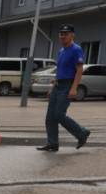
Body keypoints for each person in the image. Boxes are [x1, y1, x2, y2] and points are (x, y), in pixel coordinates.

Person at [37, 24, 90, 152]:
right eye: (61, 34)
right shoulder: (61, 51)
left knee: (59, 115)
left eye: (66, 34)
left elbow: (79, 70)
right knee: (50, 117)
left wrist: (74, 88)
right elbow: (60, 70)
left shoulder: (76, 49)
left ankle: (82, 132)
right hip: (58, 85)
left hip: (67, 85)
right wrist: (53, 86)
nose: (63, 36)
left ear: (72, 35)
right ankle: (53, 143)